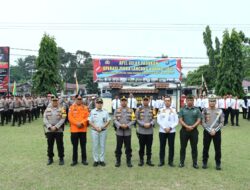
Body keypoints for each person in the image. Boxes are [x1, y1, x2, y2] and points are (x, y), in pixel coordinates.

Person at [178, 95, 202, 169]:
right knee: (183, 147)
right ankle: (181, 162)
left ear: (193, 101)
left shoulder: (197, 110)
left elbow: (199, 120)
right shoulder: (182, 109)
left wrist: (193, 126)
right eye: (188, 100)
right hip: (184, 131)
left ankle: (195, 163)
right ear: (186, 101)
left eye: (191, 100)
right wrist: (187, 126)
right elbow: (180, 120)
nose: (190, 102)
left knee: (194, 147)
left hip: (194, 131)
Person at [202, 95, 224, 170]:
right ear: (208, 102)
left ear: (215, 102)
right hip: (207, 132)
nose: (212, 102)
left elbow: (222, 122)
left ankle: (218, 163)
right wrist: (209, 130)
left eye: (213, 101)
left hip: (216, 132)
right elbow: (203, 122)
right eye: (210, 101)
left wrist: (215, 130)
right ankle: (204, 162)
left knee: (217, 148)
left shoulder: (220, 111)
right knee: (205, 147)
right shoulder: (204, 110)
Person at [43, 96, 66, 165]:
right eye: (53, 101)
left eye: (56, 101)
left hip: (59, 130)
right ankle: (50, 158)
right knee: (50, 145)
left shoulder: (62, 109)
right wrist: (50, 126)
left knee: (60, 145)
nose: (55, 102)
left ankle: (61, 158)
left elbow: (63, 118)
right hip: (50, 130)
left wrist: (56, 127)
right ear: (51, 101)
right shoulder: (47, 109)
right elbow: (44, 118)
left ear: (58, 101)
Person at [113, 96, 136, 167]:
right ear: (120, 102)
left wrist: (127, 125)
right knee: (118, 147)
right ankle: (118, 161)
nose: (123, 102)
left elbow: (134, 120)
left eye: (125, 101)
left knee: (128, 147)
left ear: (127, 102)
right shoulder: (117, 110)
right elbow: (114, 119)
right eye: (122, 101)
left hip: (127, 131)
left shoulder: (131, 110)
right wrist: (120, 125)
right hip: (119, 131)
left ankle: (128, 161)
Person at [68, 94, 90, 166]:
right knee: (75, 146)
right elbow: (70, 118)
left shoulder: (85, 108)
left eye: (80, 99)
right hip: (74, 130)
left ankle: (84, 160)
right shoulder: (71, 107)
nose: (79, 100)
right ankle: (74, 160)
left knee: (83, 146)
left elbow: (87, 117)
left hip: (83, 130)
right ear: (75, 99)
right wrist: (76, 123)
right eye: (78, 99)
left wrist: (82, 123)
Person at [88, 98, 111, 167]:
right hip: (94, 131)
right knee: (95, 145)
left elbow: (108, 121)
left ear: (102, 104)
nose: (99, 104)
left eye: (100, 103)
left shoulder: (105, 112)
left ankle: (101, 160)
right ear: (96, 103)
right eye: (98, 103)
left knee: (102, 145)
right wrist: (96, 127)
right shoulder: (92, 111)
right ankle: (96, 160)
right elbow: (90, 121)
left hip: (103, 131)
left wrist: (102, 127)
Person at [157, 96, 178, 167]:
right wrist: (164, 128)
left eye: (168, 101)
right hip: (162, 131)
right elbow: (158, 120)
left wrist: (170, 128)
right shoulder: (160, 110)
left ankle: (170, 162)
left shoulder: (174, 110)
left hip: (171, 132)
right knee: (162, 146)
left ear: (171, 101)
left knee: (171, 147)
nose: (167, 102)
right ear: (164, 101)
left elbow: (176, 121)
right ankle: (161, 161)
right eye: (166, 101)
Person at [135, 96, 155, 167]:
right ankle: (141, 160)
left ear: (149, 101)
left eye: (147, 100)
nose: (146, 101)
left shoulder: (152, 109)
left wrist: (150, 123)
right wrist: (143, 124)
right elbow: (136, 119)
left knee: (149, 147)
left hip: (150, 131)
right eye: (144, 100)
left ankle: (149, 160)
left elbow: (154, 118)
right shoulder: (138, 109)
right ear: (142, 101)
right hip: (142, 131)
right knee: (141, 147)